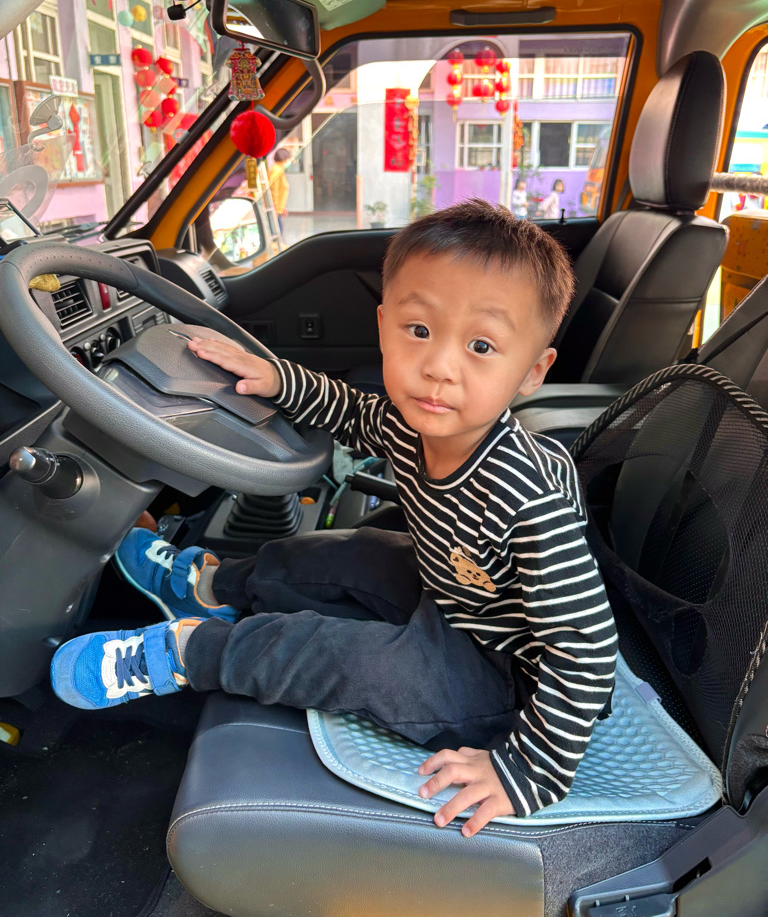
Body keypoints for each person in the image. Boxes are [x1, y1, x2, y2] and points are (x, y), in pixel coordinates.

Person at [51, 198, 616, 836]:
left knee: (340, 656)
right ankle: (208, 586)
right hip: (456, 599)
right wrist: (275, 378)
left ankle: (188, 652)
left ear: (533, 372)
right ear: (383, 325)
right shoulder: (413, 422)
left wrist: (528, 770)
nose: (438, 366)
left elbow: (588, 646)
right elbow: (349, 410)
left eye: (481, 346)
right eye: (419, 331)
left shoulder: (525, 497)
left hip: (506, 681)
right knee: (346, 550)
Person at [267, 147, 291, 233]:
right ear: (284, 159)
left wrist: (283, 207)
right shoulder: (276, 170)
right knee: (277, 232)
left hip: (278, 208)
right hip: (275, 209)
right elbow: (273, 190)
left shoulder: (279, 169)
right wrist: (275, 207)